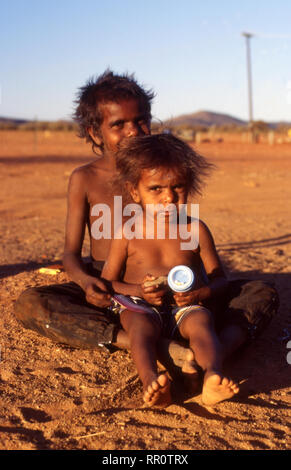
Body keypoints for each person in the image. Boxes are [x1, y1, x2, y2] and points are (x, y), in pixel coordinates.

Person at [14, 70, 279, 382]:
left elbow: (187, 239)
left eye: (141, 120)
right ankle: (162, 348)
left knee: (261, 292)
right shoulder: (84, 179)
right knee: (32, 303)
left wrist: (198, 290)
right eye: (119, 125)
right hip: (116, 291)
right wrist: (87, 283)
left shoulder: (168, 172)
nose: (134, 131)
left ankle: (211, 352)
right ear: (95, 132)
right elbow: (71, 254)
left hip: (182, 292)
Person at [101, 133, 241, 407]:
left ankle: (212, 377)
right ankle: (152, 382)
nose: (169, 198)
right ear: (134, 192)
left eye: (178, 187)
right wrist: (138, 290)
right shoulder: (127, 233)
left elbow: (220, 280)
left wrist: (201, 292)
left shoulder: (195, 229)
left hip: (184, 305)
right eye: (156, 189)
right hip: (141, 305)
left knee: (202, 325)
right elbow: (107, 283)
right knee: (139, 330)